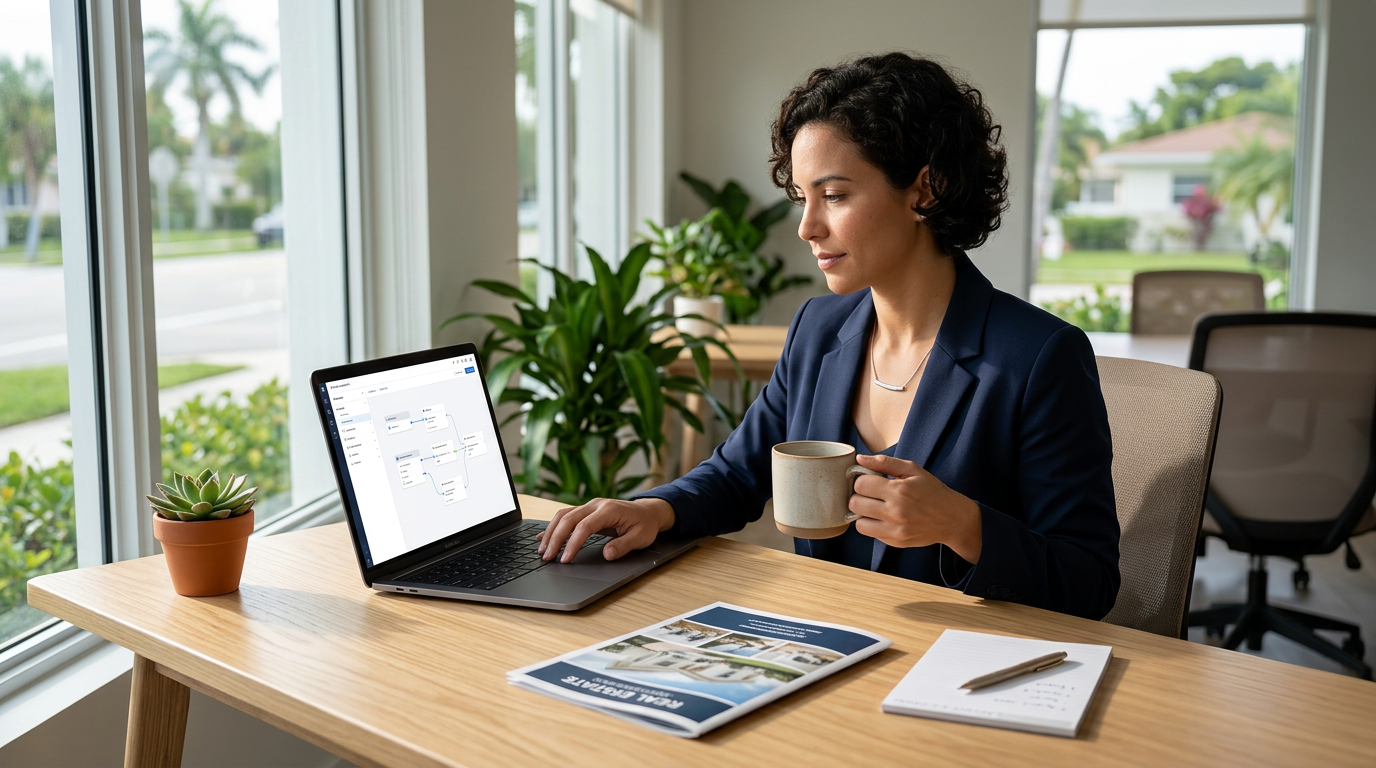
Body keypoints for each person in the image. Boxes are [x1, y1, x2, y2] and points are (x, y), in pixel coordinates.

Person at [538, 52, 1120, 620]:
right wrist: (654, 508)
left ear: (926, 189)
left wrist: (962, 526)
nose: (807, 227)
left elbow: (1088, 582)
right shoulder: (818, 330)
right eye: (802, 197)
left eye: (834, 196)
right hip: (820, 641)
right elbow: (740, 472)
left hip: (955, 667)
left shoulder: (1039, 356)